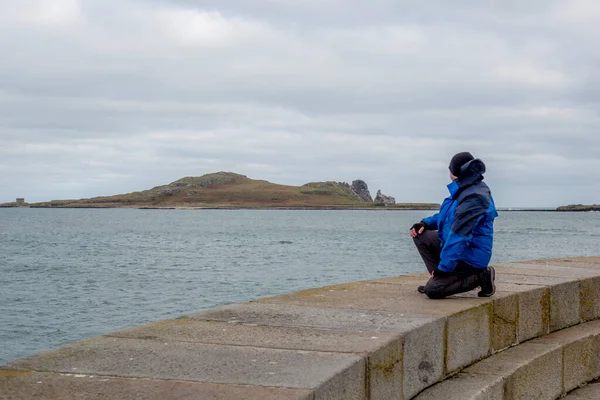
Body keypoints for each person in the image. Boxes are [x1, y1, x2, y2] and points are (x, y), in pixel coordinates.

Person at [410, 152, 498, 299]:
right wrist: (425, 223)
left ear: (456, 172)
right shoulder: (465, 189)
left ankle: (480, 276)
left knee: (433, 291)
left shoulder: (474, 196)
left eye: (450, 168)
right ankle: (439, 279)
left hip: (470, 256)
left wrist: (444, 269)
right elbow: (447, 217)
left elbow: (459, 236)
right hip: (460, 249)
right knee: (421, 235)